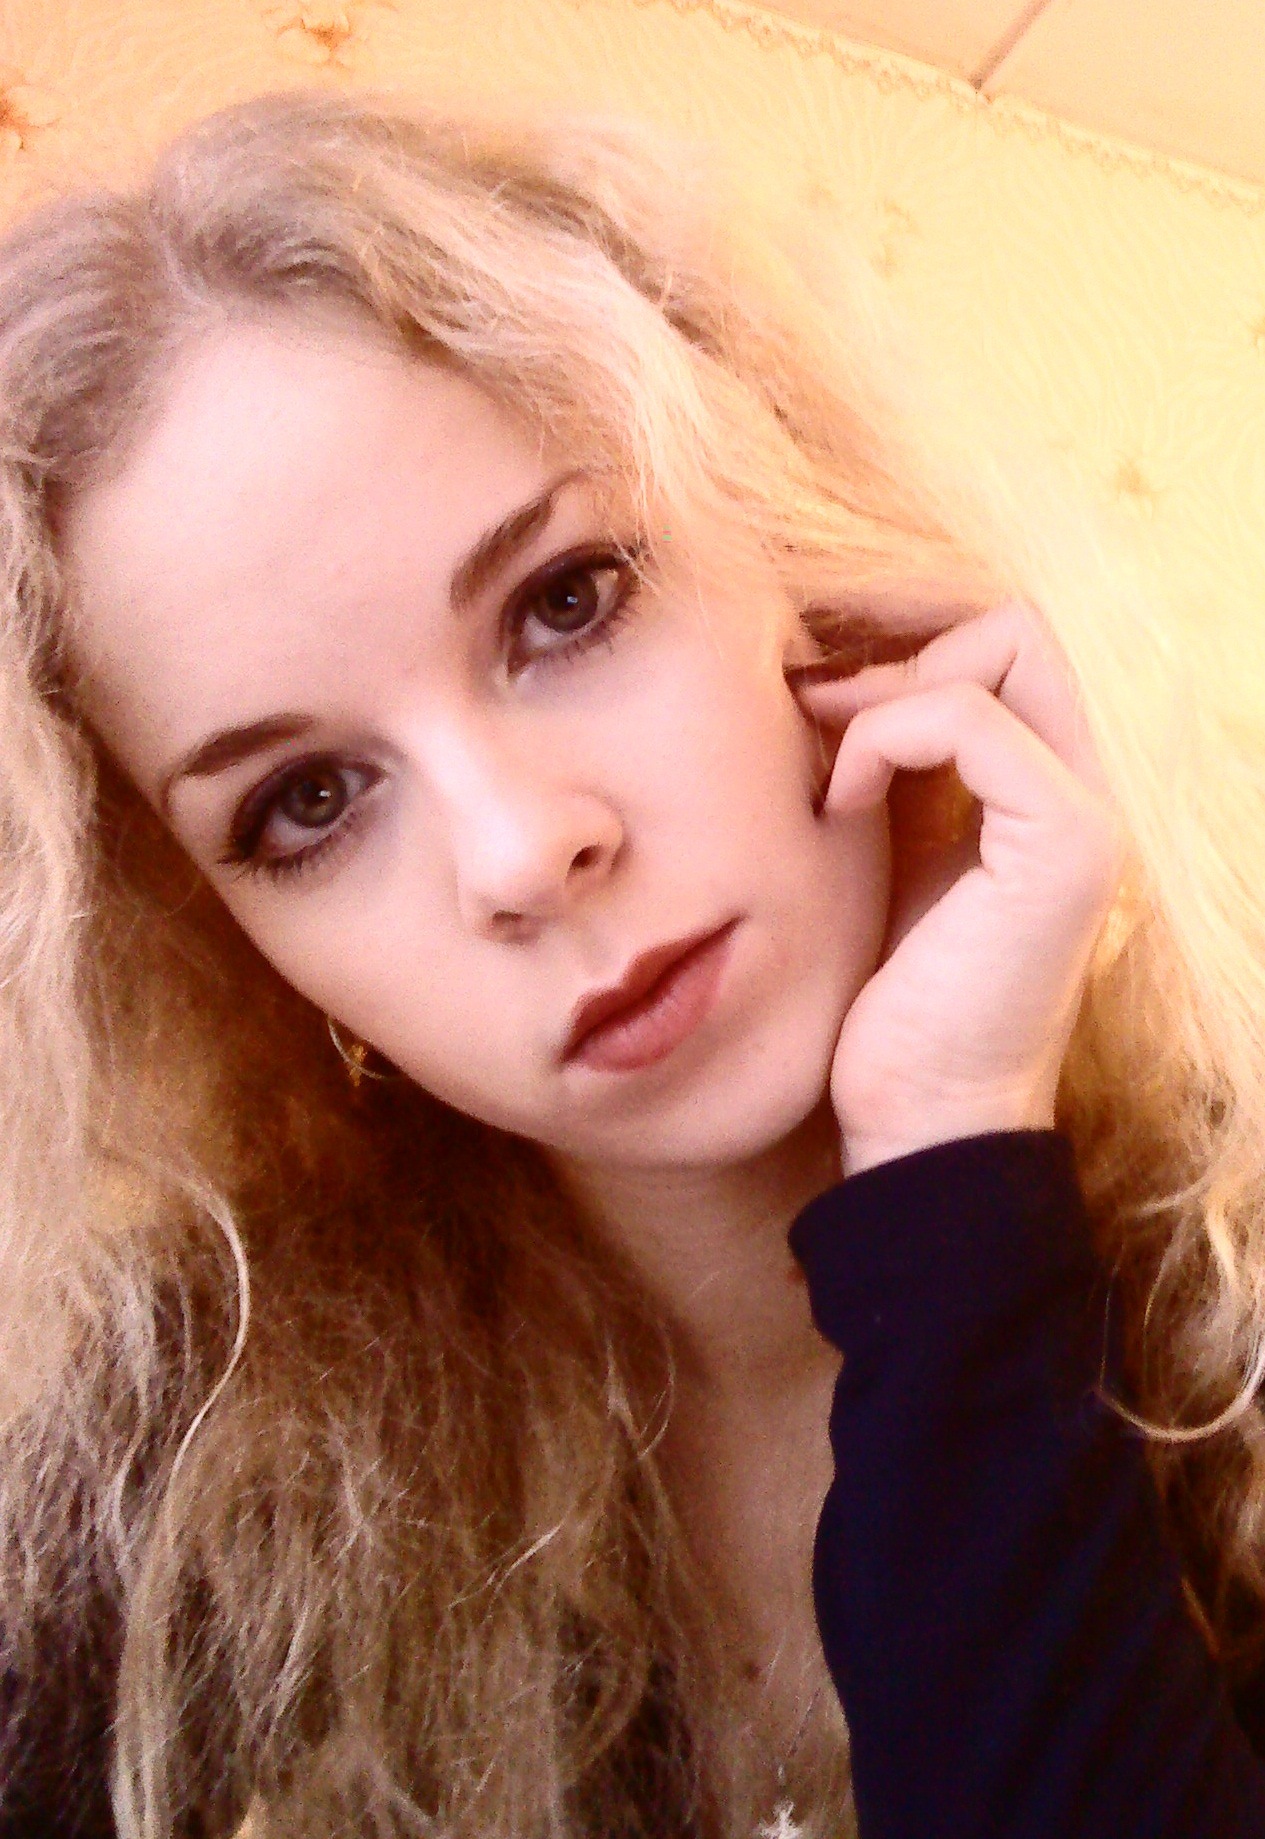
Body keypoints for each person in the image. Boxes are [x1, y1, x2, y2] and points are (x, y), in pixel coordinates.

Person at [0, 87, 1263, 1839]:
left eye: (567, 602)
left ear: (804, 540)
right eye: (308, 804)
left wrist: (951, 1148)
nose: (521, 855)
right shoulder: (140, 1483)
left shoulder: (1237, 1299)